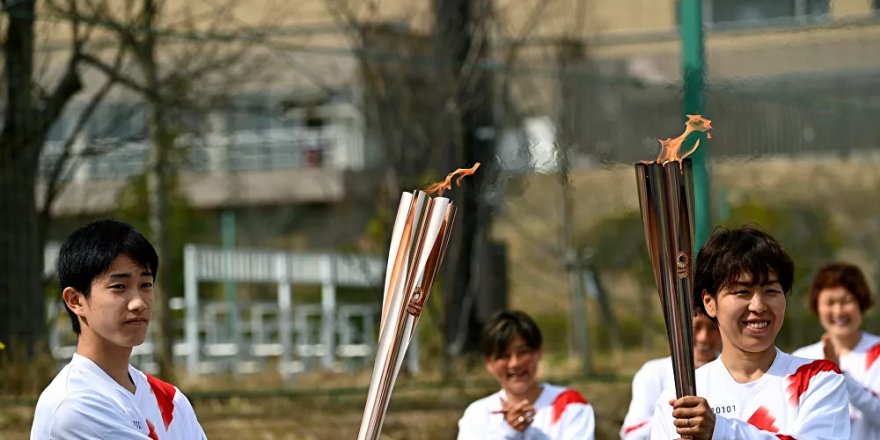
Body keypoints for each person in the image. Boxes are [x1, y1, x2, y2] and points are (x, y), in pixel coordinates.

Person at [650, 226, 850, 439]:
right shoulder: (678, 400)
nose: (758, 305)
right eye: (742, 292)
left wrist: (719, 431)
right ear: (709, 303)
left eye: (771, 291)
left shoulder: (817, 380)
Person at [31, 219, 206, 439]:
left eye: (146, 285)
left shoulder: (171, 401)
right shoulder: (74, 405)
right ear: (75, 300)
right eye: (119, 287)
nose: (138, 303)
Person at [457, 310, 595, 439]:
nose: (514, 364)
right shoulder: (478, 415)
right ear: (489, 363)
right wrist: (508, 432)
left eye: (523, 352)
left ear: (539, 352)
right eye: (504, 356)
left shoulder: (571, 405)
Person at [792, 262, 880, 439]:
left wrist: (840, 374)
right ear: (817, 307)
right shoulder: (802, 359)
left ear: (861, 303)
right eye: (830, 303)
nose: (838, 311)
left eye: (846, 301)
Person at [619, 314, 722, 439]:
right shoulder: (654, 372)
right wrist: (678, 420)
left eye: (713, 328)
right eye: (696, 327)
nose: (703, 338)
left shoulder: (733, 374)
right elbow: (632, 434)